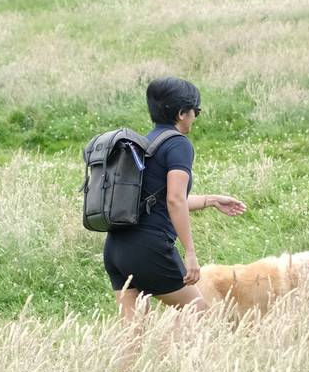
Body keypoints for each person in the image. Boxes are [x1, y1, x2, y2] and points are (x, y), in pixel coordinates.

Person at [103, 77, 246, 322]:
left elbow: (159, 200)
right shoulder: (179, 144)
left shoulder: (145, 144)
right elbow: (174, 200)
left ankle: (140, 361)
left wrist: (212, 200)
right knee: (202, 316)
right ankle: (186, 359)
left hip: (117, 246)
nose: (195, 117)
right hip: (149, 248)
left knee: (132, 332)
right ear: (182, 113)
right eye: (196, 111)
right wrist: (190, 253)